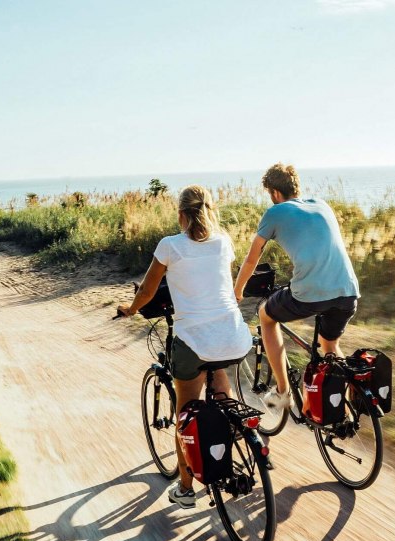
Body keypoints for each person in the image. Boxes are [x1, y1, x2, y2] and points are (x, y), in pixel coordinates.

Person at [119, 185, 251, 508]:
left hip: (193, 341)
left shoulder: (170, 246)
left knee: (185, 411)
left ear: (181, 215)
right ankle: (235, 430)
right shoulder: (224, 242)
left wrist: (130, 309)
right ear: (211, 210)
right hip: (233, 336)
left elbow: (149, 291)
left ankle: (186, 488)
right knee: (219, 377)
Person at [233, 163, 360, 415]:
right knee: (329, 345)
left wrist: (237, 290)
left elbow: (251, 260)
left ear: (275, 193)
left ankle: (283, 393)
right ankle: (348, 405)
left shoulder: (275, 212)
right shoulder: (322, 204)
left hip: (310, 293)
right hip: (348, 290)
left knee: (266, 317)